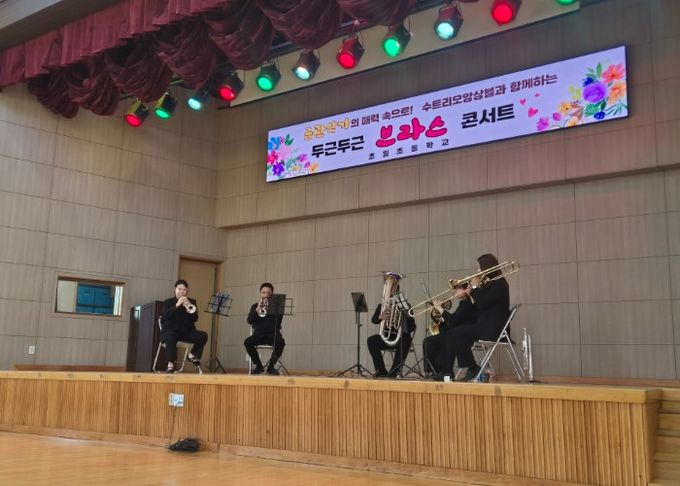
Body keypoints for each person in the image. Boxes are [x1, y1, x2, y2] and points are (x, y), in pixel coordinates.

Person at [435, 254, 510, 382]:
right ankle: (454, 370)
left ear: (487, 267)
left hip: (494, 329)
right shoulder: (490, 284)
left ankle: (472, 368)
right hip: (485, 326)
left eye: (479, 268)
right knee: (455, 333)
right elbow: (479, 305)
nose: (478, 271)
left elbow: (482, 303)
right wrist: (472, 293)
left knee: (457, 333)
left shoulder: (500, 285)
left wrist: (475, 288)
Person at [422, 283, 476, 375]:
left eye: (458, 289)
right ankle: (435, 371)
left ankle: (445, 371)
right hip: (453, 333)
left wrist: (439, 308)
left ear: (466, 290)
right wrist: (439, 314)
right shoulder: (463, 303)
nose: (455, 291)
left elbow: (453, 321)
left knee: (438, 340)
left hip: (461, 336)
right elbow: (452, 320)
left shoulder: (468, 303)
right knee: (428, 341)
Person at [160, 279, 208, 373]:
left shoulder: (191, 302)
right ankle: (170, 365)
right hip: (172, 331)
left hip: (187, 332)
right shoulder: (168, 302)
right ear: (175, 289)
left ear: (187, 291)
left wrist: (187, 308)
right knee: (170, 336)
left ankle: (192, 355)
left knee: (203, 335)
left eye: (184, 290)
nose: (182, 292)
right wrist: (177, 305)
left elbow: (195, 319)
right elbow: (164, 318)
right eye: (179, 289)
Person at [367, 297, 416, 378]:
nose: (391, 293)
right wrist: (380, 317)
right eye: (390, 291)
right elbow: (374, 320)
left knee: (406, 340)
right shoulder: (382, 306)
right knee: (371, 340)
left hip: (401, 337)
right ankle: (381, 371)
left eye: (393, 291)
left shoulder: (406, 306)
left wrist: (405, 317)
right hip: (388, 337)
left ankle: (394, 372)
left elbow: (412, 327)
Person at [244, 282, 285, 375]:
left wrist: (272, 309)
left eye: (268, 293)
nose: (266, 295)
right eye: (263, 292)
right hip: (258, 335)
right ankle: (259, 366)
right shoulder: (254, 306)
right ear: (260, 293)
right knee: (247, 342)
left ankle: (270, 367)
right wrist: (257, 309)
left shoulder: (276, 307)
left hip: (272, 334)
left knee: (280, 342)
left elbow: (278, 323)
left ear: (272, 294)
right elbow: (249, 321)